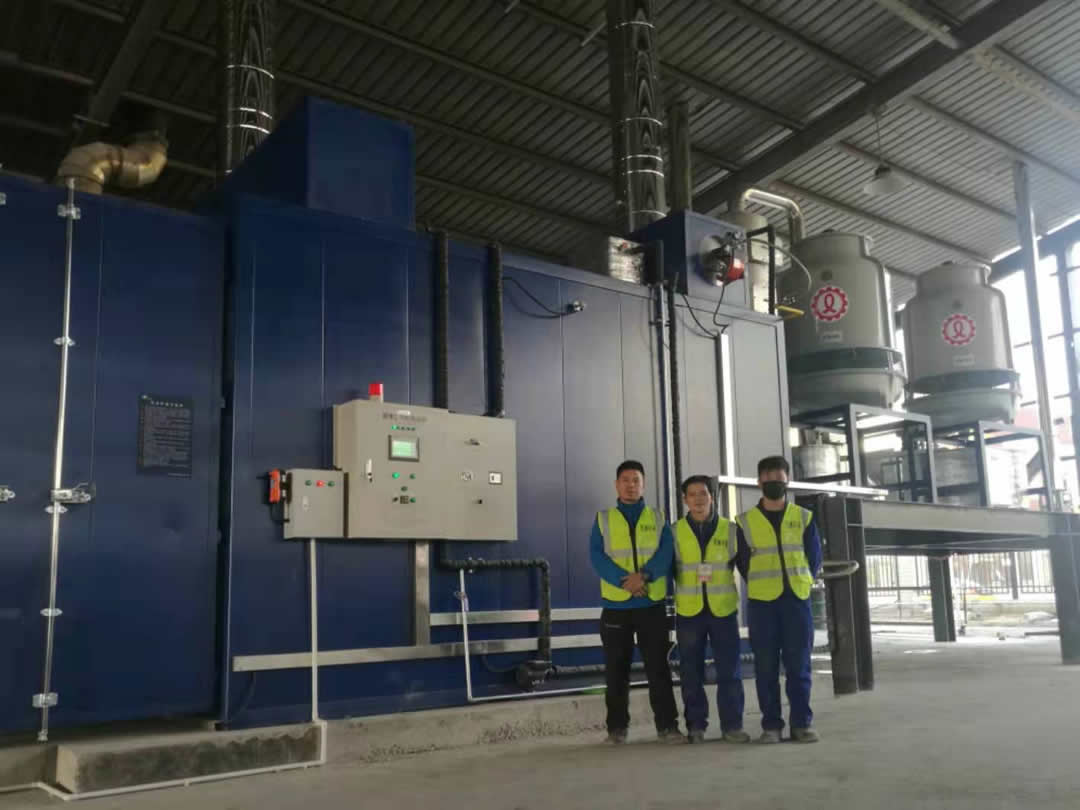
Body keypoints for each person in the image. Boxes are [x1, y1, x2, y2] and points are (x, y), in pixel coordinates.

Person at [589, 460, 683, 745]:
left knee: (658, 669)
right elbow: (597, 557)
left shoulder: (658, 518)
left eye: (636, 480)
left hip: (651, 606)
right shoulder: (603, 519)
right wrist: (626, 582)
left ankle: (668, 727)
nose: (631, 485)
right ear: (616, 485)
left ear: (643, 485)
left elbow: (666, 553)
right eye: (625, 480)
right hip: (616, 607)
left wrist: (643, 577)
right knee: (616, 672)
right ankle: (616, 730)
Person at [735, 455, 823, 744]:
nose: (774, 482)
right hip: (763, 604)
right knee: (766, 668)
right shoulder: (745, 522)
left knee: (799, 666)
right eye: (768, 477)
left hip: (796, 601)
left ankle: (802, 724)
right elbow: (743, 563)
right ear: (758, 482)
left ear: (787, 480)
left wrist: (800, 582)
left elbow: (814, 558)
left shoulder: (804, 517)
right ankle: (771, 726)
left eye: (779, 477)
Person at [672, 475, 750, 744]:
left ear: (712, 497)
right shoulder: (674, 532)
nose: (698, 499)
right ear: (685, 500)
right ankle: (696, 726)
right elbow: (666, 569)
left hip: (723, 611)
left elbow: (747, 568)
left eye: (703, 493)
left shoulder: (731, 530)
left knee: (729, 670)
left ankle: (732, 725)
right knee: (690, 671)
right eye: (692, 494)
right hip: (689, 612)